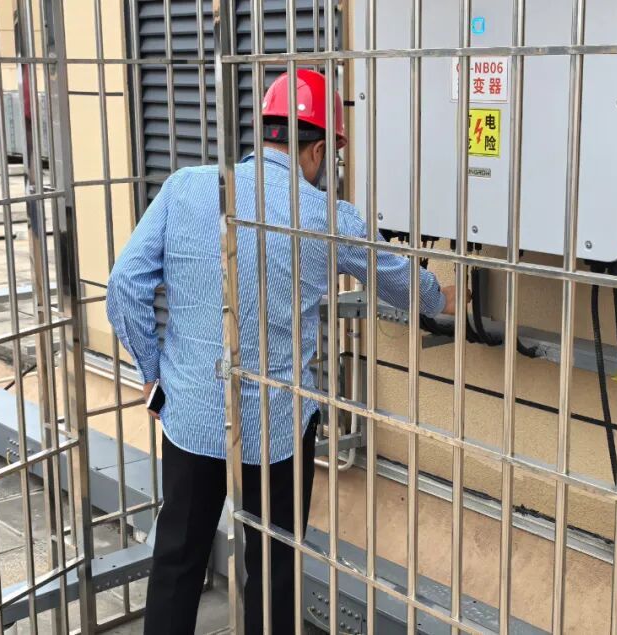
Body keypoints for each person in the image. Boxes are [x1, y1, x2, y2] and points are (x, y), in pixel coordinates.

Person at [106, 67, 459, 634]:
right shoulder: (324, 216)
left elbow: (124, 284)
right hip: (276, 426)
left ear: (264, 130)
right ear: (318, 150)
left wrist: (153, 374)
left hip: (191, 412)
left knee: (177, 558)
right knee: (273, 565)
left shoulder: (186, 186)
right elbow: (401, 285)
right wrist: (443, 294)